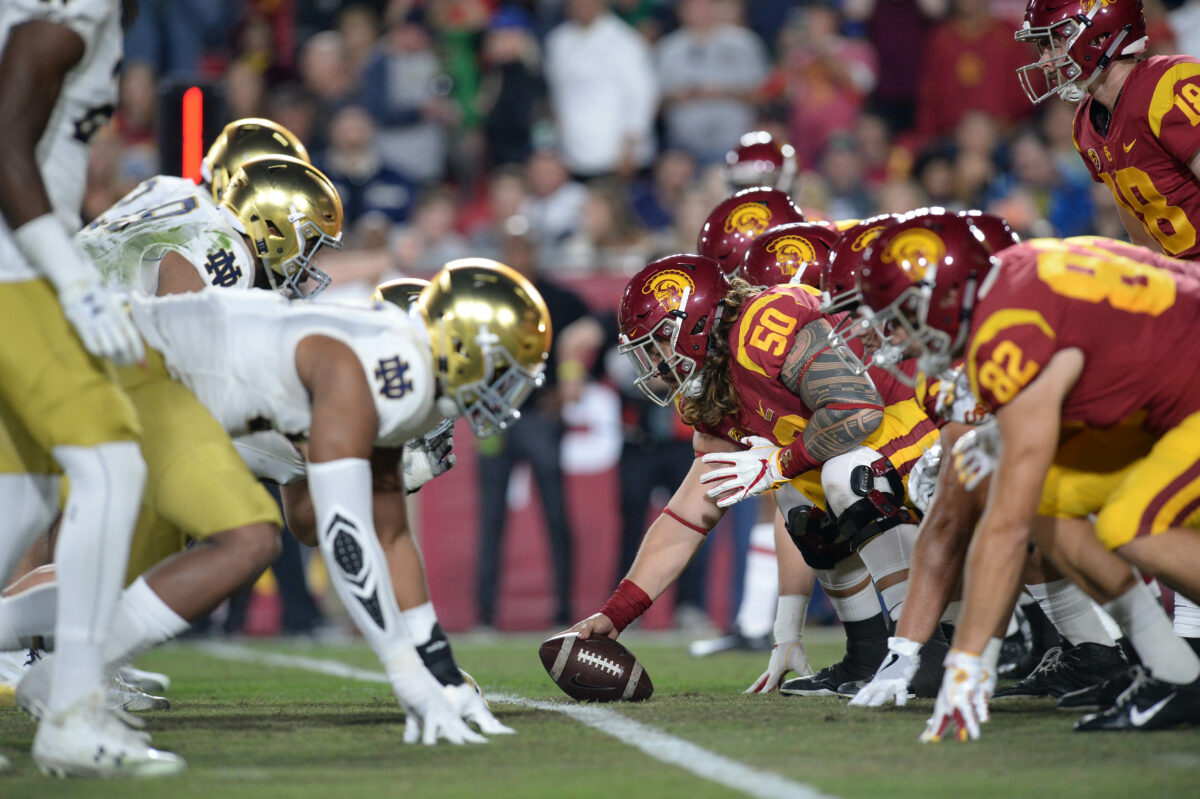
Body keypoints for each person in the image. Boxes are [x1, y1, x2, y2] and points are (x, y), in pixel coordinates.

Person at [13, 260, 544, 745]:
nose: (508, 389)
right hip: (134, 372)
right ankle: (65, 676)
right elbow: (344, 534)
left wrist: (440, 668)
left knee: (179, 560)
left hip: (162, 391)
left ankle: (61, 673)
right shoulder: (374, 371)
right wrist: (404, 670)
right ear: (464, 346)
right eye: (505, 370)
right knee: (244, 539)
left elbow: (388, 535)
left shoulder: (400, 372)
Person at [849, 212, 1200, 737]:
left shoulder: (1006, 331)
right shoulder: (1017, 271)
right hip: (1165, 399)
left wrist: (968, 662)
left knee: (1131, 524)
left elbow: (1004, 526)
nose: (894, 338)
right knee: (1050, 500)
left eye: (899, 318)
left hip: (1184, 398)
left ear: (938, 295)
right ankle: (1174, 670)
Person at [564, 253, 941, 701]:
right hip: (880, 455)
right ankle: (867, 653)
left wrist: (778, 464)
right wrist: (616, 615)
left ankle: (918, 647)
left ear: (693, 324)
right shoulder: (715, 384)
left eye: (657, 342)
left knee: (843, 474)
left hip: (924, 432)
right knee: (800, 505)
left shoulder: (763, 325)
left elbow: (854, 410)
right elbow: (687, 517)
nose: (653, 361)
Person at [0, 0, 181, 776]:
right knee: (114, 467)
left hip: (22, 264)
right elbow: (4, 137)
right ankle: (68, 708)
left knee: (28, 496)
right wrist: (73, 281)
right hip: (16, 272)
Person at [1015, 0, 1200, 259]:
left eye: (1053, 45)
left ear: (1099, 36)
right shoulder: (1086, 125)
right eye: (1042, 49)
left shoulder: (1168, 85)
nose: (1046, 63)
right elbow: (1143, 237)